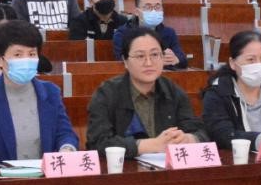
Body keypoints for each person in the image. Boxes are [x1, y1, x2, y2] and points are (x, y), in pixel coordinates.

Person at [0, 20, 78, 164]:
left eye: (32, 54)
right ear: (0, 59)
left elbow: (65, 133)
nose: (26, 60)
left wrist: (67, 148)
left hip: (45, 175)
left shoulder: (50, 92)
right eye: (18, 55)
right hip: (0, 176)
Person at [87, 27, 209, 159]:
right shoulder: (107, 94)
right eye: (140, 56)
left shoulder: (173, 91)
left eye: (155, 55)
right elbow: (97, 143)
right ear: (125, 61)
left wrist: (189, 139)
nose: (149, 63)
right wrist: (151, 145)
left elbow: (201, 132)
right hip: (125, 169)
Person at [112, 0, 187, 69]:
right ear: (137, 12)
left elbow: (182, 59)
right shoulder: (122, 34)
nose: (153, 11)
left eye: (157, 7)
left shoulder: (169, 32)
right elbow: (122, 62)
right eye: (148, 7)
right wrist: (157, 60)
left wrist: (175, 59)